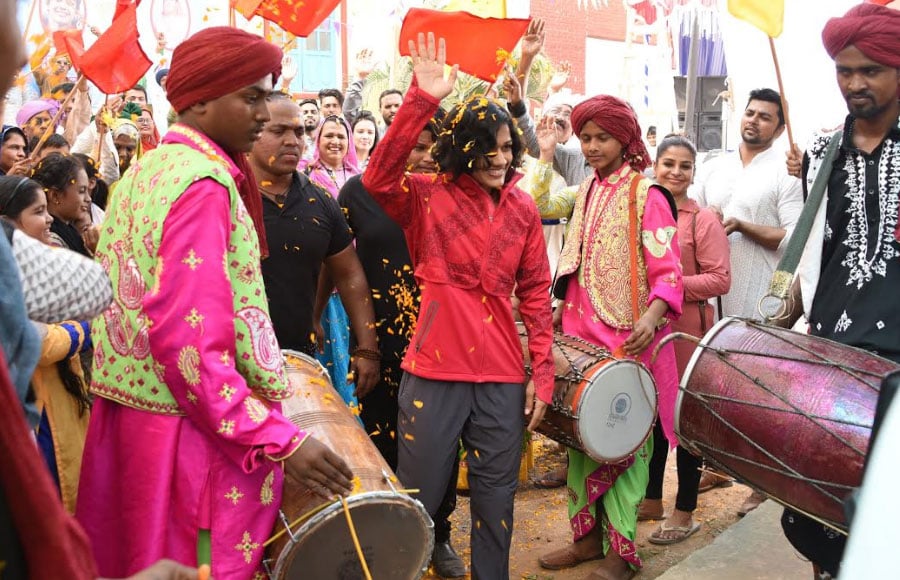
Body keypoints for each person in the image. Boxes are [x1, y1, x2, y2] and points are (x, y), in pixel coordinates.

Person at [75, 27, 354, 579]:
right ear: (199, 99)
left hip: (133, 429)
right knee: (197, 566)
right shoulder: (203, 183)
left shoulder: (145, 170)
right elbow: (190, 348)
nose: (264, 109)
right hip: (191, 442)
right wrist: (278, 438)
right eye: (250, 96)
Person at [363, 33, 555, 579]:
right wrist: (421, 100)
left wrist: (540, 372)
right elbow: (378, 177)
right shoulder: (427, 195)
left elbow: (536, 294)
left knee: (497, 504)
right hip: (434, 369)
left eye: (508, 147)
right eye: (488, 147)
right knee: (419, 499)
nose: (501, 157)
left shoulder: (522, 209)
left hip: (498, 374)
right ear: (464, 147)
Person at [529, 95, 683, 580]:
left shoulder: (649, 195)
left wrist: (652, 317)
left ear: (626, 138)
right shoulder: (587, 190)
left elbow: (669, 273)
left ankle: (622, 553)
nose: (592, 147)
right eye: (586, 138)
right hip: (578, 339)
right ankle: (587, 540)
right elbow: (537, 203)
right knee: (580, 441)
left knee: (624, 446)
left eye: (602, 138)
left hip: (626, 344)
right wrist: (548, 152)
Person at [779, 4, 900, 578]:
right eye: (844, 70)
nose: (854, 82)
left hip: (898, 356)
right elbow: (817, 252)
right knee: (817, 508)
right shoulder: (824, 150)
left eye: (871, 70)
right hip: (830, 352)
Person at [339, 107, 467, 577]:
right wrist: (366, 348)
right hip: (381, 346)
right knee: (381, 438)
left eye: (435, 145)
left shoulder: (452, 195)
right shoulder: (361, 192)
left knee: (440, 444)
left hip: (442, 346)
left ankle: (439, 536)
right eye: (416, 145)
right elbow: (344, 271)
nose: (427, 155)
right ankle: (389, 540)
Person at [691, 87, 803, 515]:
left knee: (760, 391)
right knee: (713, 385)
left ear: (779, 127)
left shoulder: (787, 171)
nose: (754, 121)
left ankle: (762, 481)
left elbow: (796, 237)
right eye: (750, 113)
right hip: (713, 295)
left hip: (761, 296)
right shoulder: (714, 166)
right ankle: (718, 465)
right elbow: (691, 214)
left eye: (765, 117)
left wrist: (742, 226)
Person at [248, 91, 380, 402]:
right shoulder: (225, 196)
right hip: (232, 367)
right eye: (278, 131)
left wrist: (367, 348)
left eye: (299, 131)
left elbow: (348, 274)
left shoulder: (319, 201)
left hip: (298, 362)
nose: (293, 141)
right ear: (251, 133)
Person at [637, 135, 731, 545]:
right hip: (647, 330)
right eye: (668, 164)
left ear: (694, 172)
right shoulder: (640, 210)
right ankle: (653, 497)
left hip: (687, 331)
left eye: (685, 166)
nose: (676, 172)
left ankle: (684, 510)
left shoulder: (702, 219)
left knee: (685, 418)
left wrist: (667, 287)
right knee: (653, 416)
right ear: (655, 167)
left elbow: (720, 278)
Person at [0, 175, 93, 515]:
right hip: (33, 421)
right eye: (38, 211)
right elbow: (40, 343)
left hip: (59, 407)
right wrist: (83, 329)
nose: (49, 218)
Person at [30, 152, 92, 256]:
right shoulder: (50, 239)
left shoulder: (70, 230)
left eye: (87, 191)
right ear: (55, 196)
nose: (88, 199)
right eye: (81, 191)